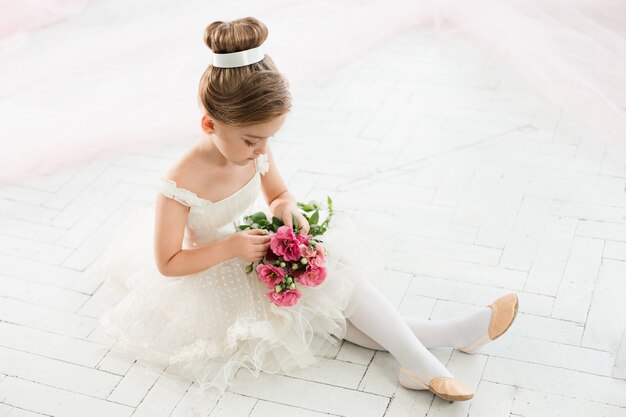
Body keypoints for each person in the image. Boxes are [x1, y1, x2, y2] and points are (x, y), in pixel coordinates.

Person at [97, 16, 519, 402]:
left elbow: (278, 194)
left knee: (334, 291)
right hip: (212, 267)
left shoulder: (256, 151)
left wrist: (287, 211)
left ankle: (433, 353)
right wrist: (232, 249)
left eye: (268, 139)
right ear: (210, 124)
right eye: (251, 140)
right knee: (330, 304)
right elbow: (168, 263)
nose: (261, 150)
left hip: (252, 246)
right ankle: (445, 343)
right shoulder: (178, 185)